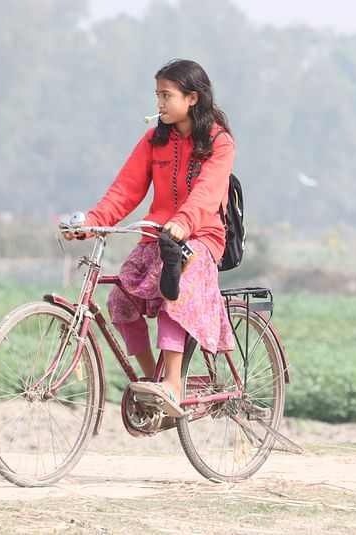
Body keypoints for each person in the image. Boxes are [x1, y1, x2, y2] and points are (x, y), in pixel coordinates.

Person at [63, 59, 235, 417]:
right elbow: (125, 190)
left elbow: (207, 193)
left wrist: (182, 223)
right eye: (157, 95)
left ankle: (172, 384)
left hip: (201, 234)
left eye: (166, 95)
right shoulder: (154, 139)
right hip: (156, 234)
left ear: (192, 98)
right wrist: (93, 222)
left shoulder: (219, 143)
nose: (158, 103)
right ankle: (150, 379)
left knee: (176, 288)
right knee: (120, 300)